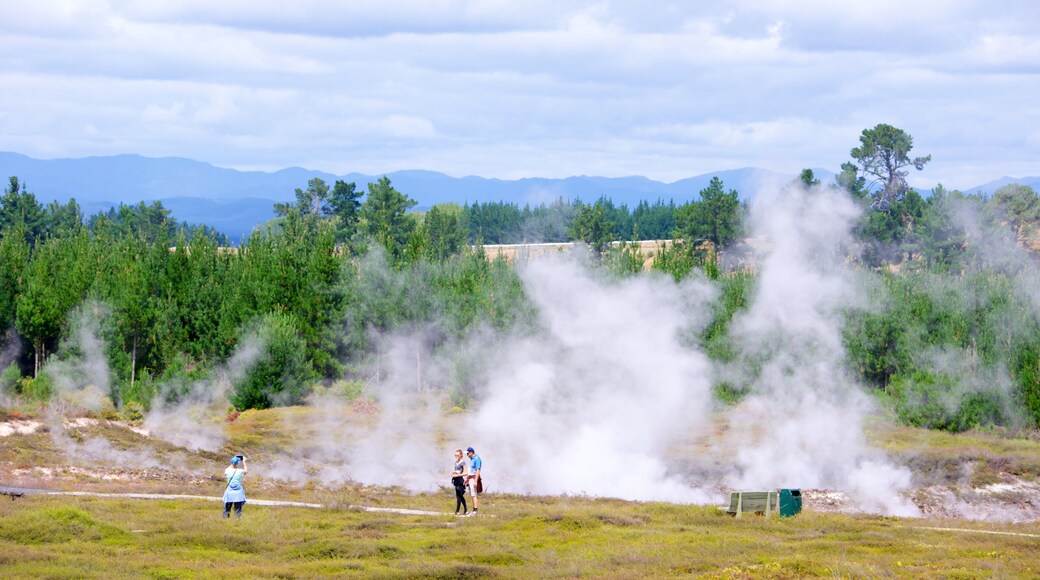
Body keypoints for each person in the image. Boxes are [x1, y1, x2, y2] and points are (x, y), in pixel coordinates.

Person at [465, 447, 482, 516]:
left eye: (468, 453)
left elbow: (478, 470)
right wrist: (467, 478)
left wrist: (475, 481)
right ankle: (473, 510)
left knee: (474, 494)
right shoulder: (471, 459)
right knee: (472, 494)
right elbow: (470, 470)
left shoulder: (477, 459)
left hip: (474, 478)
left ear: (471, 452)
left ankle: (475, 510)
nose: (467, 455)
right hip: (470, 478)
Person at [451, 449, 468, 516]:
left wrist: (459, 474)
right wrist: (453, 472)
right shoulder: (456, 462)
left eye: (457, 455)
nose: (456, 456)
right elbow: (456, 470)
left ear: (461, 455)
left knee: (459, 495)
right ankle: (465, 509)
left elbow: (466, 472)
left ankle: (457, 511)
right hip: (456, 480)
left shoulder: (463, 462)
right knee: (459, 495)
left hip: (460, 480)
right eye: (455, 455)